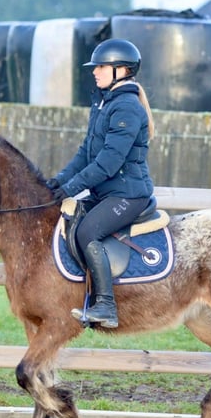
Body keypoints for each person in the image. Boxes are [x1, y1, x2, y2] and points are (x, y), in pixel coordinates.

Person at [47, 38, 156, 329]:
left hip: (128, 195)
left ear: (122, 70)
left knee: (87, 232)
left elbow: (109, 163)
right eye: (95, 67)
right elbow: (86, 152)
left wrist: (70, 189)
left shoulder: (127, 107)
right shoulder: (104, 102)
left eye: (102, 67)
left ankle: (106, 306)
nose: (95, 72)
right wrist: (58, 181)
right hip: (106, 192)